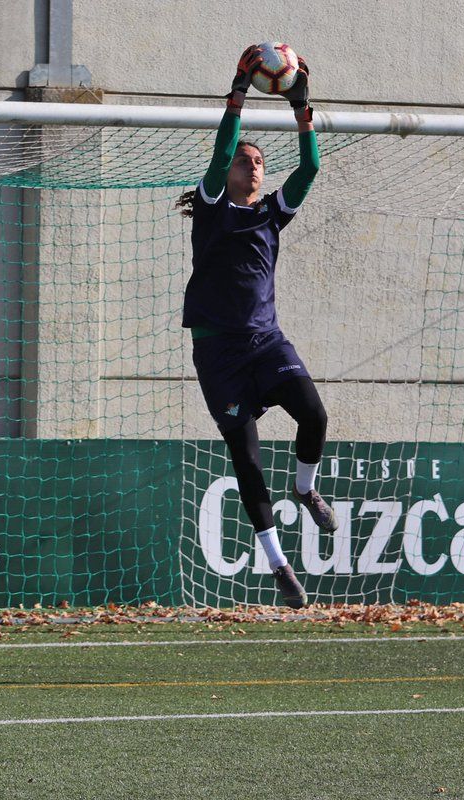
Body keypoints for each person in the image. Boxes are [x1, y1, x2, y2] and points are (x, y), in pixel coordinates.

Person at [179, 46, 336, 610]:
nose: (253, 166)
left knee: (314, 413)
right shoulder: (213, 204)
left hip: (265, 341)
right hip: (217, 354)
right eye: (246, 160)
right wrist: (239, 88)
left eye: (259, 162)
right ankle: (279, 565)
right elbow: (223, 148)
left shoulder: (273, 211)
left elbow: (312, 167)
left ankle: (305, 488)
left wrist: (302, 109)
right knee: (245, 455)